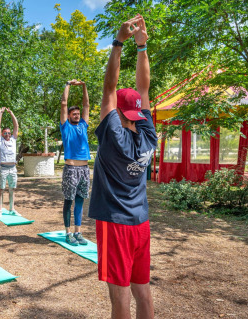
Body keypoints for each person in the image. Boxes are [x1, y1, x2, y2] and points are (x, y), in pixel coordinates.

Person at [88, 15, 157, 319]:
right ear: (138, 112)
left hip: (115, 224)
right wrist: (142, 47)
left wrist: (117, 44)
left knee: (120, 300)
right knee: (143, 293)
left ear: (119, 111)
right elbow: (143, 88)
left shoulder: (113, 133)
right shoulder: (148, 134)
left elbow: (109, 87)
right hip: (141, 222)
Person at [60, 79, 90, 246]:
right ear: (70, 116)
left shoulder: (83, 125)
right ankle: (68, 232)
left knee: (80, 200)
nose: (77, 115)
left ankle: (78, 232)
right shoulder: (66, 127)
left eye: (78, 113)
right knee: (69, 201)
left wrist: (84, 85)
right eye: (74, 114)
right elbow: (64, 103)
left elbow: (86, 104)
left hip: (85, 169)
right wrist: (68, 85)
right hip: (71, 169)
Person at [0, 107, 19, 217]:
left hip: (13, 168)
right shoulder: (0, 141)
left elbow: (16, 126)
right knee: (1, 189)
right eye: (5, 133)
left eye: (8, 133)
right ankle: (0, 209)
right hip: (4, 168)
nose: (7, 135)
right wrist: (0, 113)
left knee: (12, 189)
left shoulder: (13, 140)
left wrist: (11, 113)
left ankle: (12, 208)